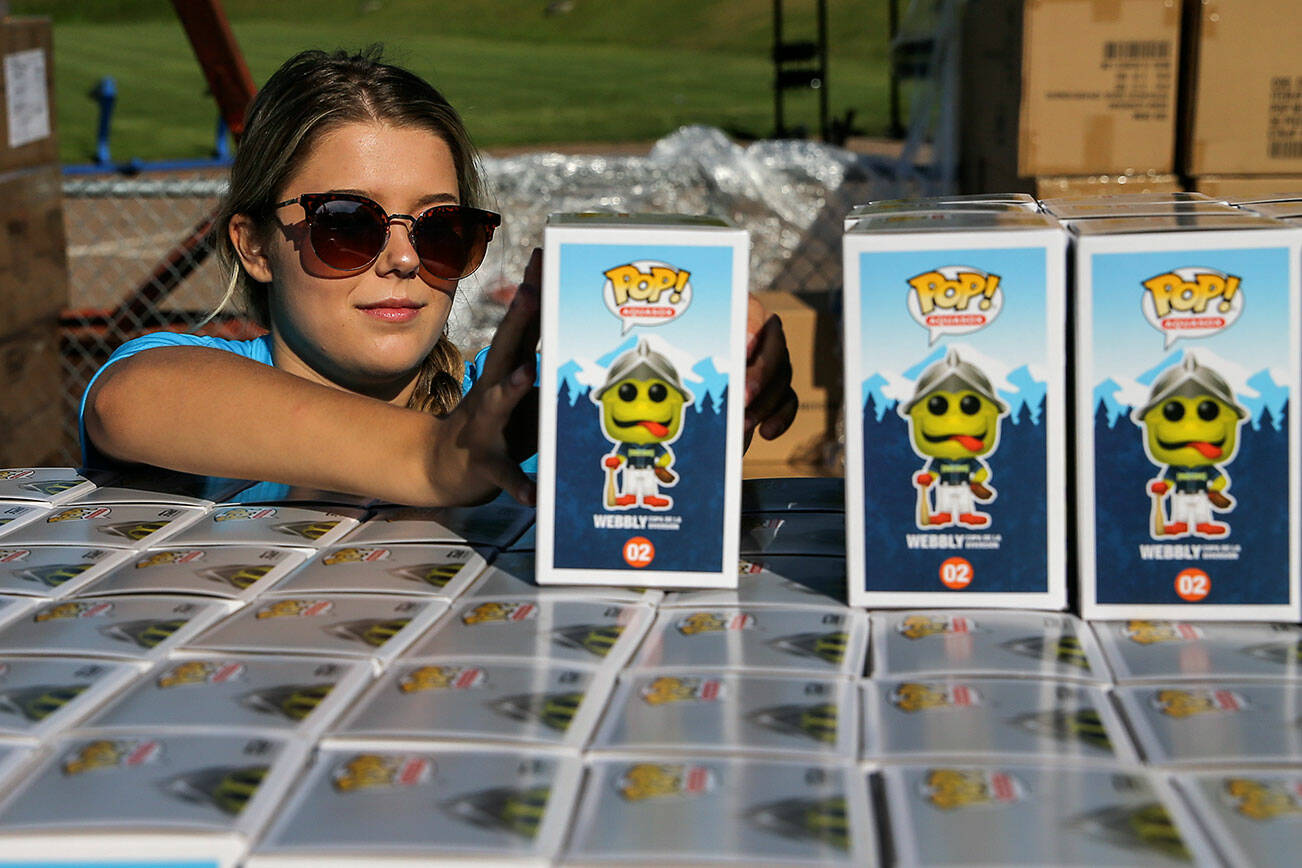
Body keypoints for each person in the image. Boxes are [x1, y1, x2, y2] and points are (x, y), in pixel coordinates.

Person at [80, 47, 797, 508]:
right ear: (255, 247)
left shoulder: (511, 403)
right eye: (347, 223)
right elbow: (125, 402)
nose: (402, 259)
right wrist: (437, 457)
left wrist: (725, 347)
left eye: (441, 230)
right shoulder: (184, 382)